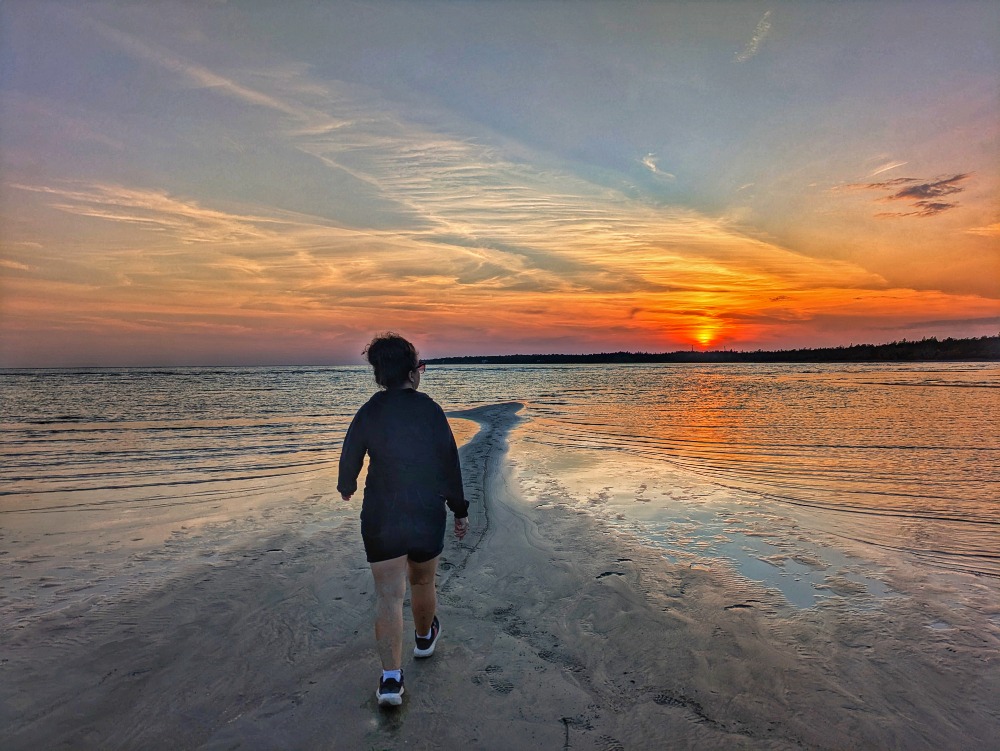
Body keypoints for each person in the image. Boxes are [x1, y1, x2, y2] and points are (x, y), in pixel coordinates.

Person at [337, 332, 470, 707]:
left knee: (389, 595)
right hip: (426, 511)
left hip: (382, 513)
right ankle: (425, 639)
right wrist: (459, 509)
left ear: (379, 375)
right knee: (423, 579)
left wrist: (346, 485)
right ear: (413, 373)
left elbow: (352, 454)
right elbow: (448, 463)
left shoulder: (369, 411)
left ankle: (391, 680)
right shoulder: (429, 409)